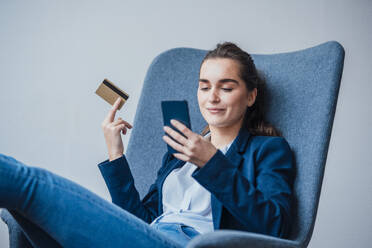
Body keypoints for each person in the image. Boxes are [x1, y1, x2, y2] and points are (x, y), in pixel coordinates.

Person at [0, 42, 295, 248]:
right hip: (148, 237)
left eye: (226, 87)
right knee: (27, 215)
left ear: (251, 96)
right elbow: (140, 221)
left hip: (188, 242)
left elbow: (275, 228)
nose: (211, 97)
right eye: (204, 86)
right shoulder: (180, 151)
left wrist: (212, 163)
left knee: (28, 184)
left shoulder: (268, 150)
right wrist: (116, 154)